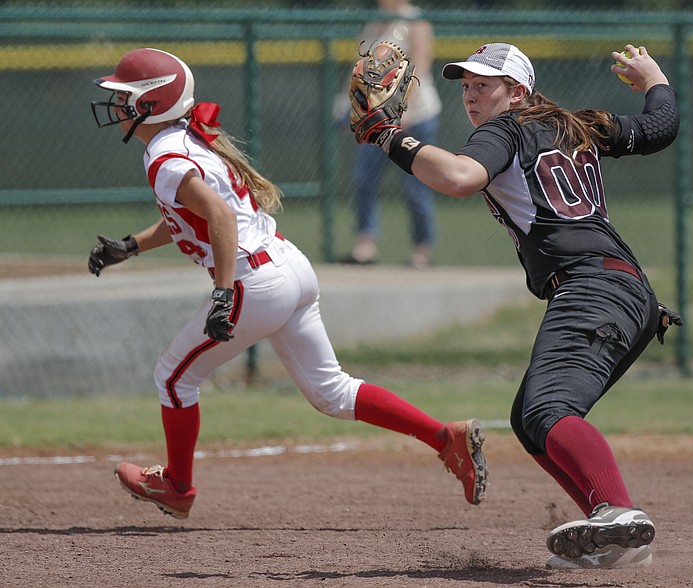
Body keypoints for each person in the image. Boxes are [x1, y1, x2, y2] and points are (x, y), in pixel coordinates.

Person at [87, 47, 487, 519]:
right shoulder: (185, 141)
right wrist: (130, 246)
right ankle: (446, 438)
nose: (116, 105)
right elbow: (195, 220)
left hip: (254, 281)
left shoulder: (165, 155)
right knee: (333, 393)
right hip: (287, 266)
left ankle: (177, 487)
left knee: (173, 378)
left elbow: (218, 217)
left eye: (124, 95)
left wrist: (221, 292)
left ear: (150, 103)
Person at [349, 42, 681, 569]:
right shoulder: (579, 126)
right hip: (625, 291)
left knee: (549, 409)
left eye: (485, 84)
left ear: (518, 91)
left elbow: (458, 178)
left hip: (592, 287)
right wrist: (655, 78)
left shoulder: (504, 130)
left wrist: (388, 136)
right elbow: (661, 126)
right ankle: (612, 532)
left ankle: (618, 513)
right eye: (465, 86)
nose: (472, 95)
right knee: (529, 421)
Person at [344, 0, 442, 268]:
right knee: (365, 178)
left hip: (416, 117)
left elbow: (420, 67)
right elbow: (362, 69)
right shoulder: (374, 22)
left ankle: (421, 251)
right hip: (377, 117)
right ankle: (366, 246)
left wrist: (405, 109)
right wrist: (349, 104)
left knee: (415, 185)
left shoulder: (414, 19)